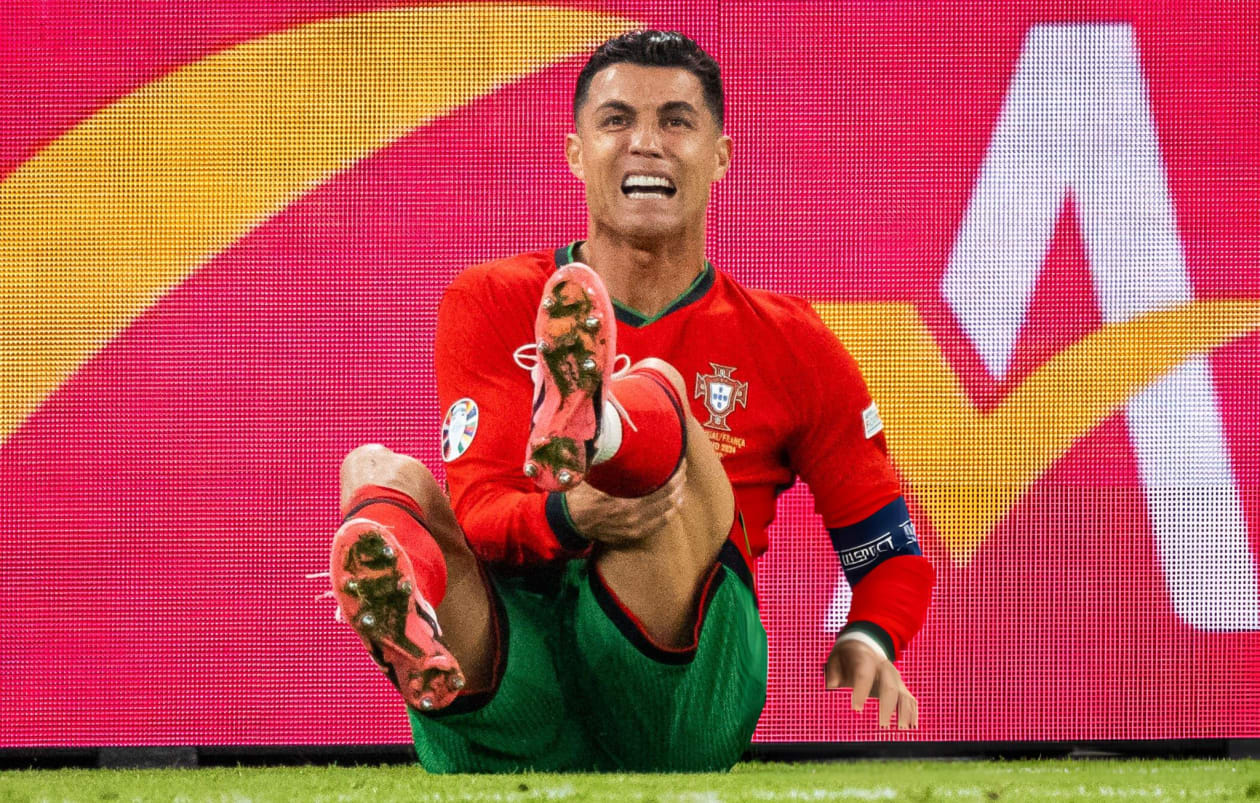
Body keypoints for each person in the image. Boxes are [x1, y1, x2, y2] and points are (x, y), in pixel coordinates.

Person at [330, 30, 934, 773]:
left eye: (676, 121)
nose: (646, 142)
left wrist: (870, 635)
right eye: (617, 120)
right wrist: (571, 517)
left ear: (720, 156)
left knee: (662, 389)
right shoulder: (490, 299)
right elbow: (481, 510)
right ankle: (404, 602)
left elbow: (891, 555)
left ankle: (607, 425)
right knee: (379, 474)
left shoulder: (792, 341)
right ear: (576, 152)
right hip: (519, 677)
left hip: (674, 688)